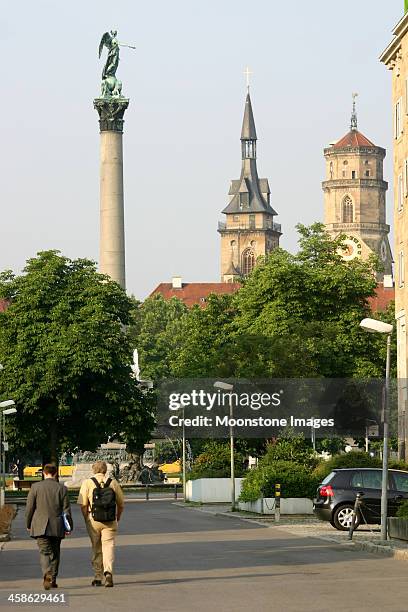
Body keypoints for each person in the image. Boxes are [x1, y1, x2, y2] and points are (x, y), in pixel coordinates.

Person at [25, 463, 72, 590]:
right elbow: (66, 510)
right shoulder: (61, 488)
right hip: (57, 526)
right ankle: (53, 579)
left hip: (40, 525)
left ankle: (47, 573)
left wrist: (28, 524)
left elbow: (29, 508)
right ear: (56, 473)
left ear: (43, 473)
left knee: (44, 552)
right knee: (55, 552)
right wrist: (69, 527)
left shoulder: (35, 487)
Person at [78, 461, 124, 588]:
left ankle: (97, 577)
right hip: (110, 520)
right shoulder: (113, 482)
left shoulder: (87, 483)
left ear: (94, 470)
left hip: (93, 519)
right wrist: (117, 517)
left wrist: (86, 517)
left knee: (96, 547)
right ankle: (108, 572)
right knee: (108, 546)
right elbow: (121, 504)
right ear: (105, 470)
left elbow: (83, 504)